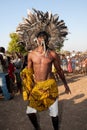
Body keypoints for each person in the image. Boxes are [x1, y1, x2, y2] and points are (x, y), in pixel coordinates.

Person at [17, 9, 71, 130]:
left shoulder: (52, 54)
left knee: (54, 113)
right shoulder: (31, 55)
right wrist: (28, 87)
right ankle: (37, 128)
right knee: (30, 112)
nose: (42, 39)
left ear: (47, 40)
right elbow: (28, 72)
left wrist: (66, 85)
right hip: (37, 86)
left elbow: (59, 71)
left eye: (44, 38)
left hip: (50, 86)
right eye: (40, 38)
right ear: (36, 40)